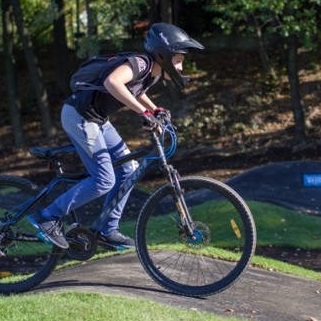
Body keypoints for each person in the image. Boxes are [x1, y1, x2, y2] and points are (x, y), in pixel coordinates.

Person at [28, 23, 205, 249]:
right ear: (163, 54)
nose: (181, 67)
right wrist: (143, 113)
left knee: (127, 169)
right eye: (178, 60)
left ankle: (107, 229)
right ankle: (48, 217)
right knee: (103, 179)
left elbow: (136, 92)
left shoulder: (153, 73)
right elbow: (112, 82)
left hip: (98, 119)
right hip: (79, 115)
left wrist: (155, 111)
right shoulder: (141, 63)